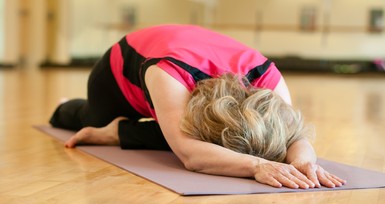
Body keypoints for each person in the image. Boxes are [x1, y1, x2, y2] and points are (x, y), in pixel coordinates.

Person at [50, 24, 346, 189]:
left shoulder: (269, 79)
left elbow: (294, 135)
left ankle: (121, 133)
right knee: (92, 118)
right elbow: (190, 153)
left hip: (181, 69)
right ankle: (72, 109)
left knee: (195, 139)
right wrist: (258, 165)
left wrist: (303, 162)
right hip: (119, 73)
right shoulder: (169, 74)